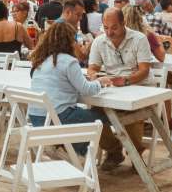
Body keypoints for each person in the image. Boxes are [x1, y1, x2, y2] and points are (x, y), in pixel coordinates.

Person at [28, 23, 114, 152]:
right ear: (70, 41)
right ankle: (90, 152)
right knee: (105, 116)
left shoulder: (41, 60)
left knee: (85, 116)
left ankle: (74, 151)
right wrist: (100, 82)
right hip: (58, 120)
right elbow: (86, 90)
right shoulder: (69, 61)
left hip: (37, 120)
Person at [87, 8, 152, 169]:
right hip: (114, 89)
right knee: (91, 115)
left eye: (114, 27)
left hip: (139, 87)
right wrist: (94, 76)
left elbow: (144, 70)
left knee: (132, 113)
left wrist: (126, 81)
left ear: (124, 23)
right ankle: (113, 150)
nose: (109, 32)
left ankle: (135, 153)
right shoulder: (99, 41)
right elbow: (92, 68)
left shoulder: (139, 39)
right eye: (106, 27)